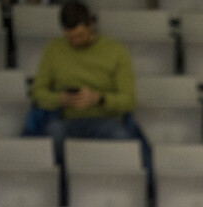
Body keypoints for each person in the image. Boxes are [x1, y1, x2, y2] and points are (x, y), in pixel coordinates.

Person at [29, 0, 137, 163]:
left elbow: (129, 100)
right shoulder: (53, 49)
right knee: (53, 134)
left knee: (120, 136)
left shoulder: (116, 51)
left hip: (106, 120)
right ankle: (60, 179)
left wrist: (99, 98)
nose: (75, 42)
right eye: (70, 37)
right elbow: (38, 92)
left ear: (91, 25)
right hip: (67, 119)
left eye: (80, 36)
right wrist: (61, 98)